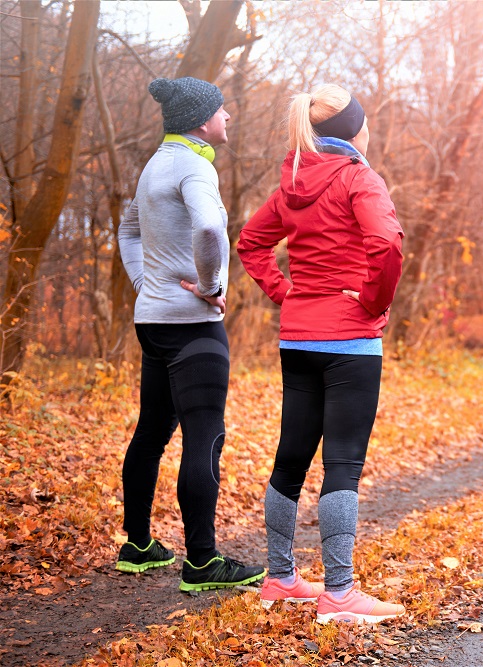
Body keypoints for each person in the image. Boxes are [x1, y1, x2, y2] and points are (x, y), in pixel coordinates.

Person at [237, 84, 405, 624]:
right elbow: (388, 244)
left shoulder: (292, 181)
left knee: (291, 458)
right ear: (354, 130)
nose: (369, 127)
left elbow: (251, 243)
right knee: (343, 465)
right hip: (350, 342)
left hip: (299, 339)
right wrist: (374, 303)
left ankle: (281, 578)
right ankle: (338, 593)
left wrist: (289, 296)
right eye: (365, 120)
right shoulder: (359, 177)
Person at [116, 76, 265, 593]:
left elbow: (128, 231)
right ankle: (202, 563)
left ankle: (138, 545)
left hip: (152, 320)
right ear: (202, 120)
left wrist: (145, 282)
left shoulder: (154, 165)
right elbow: (208, 230)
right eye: (223, 111)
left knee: (152, 431)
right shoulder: (196, 168)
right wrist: (211, 286)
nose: (228, 118)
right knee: (204, 435)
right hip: (192, 326)